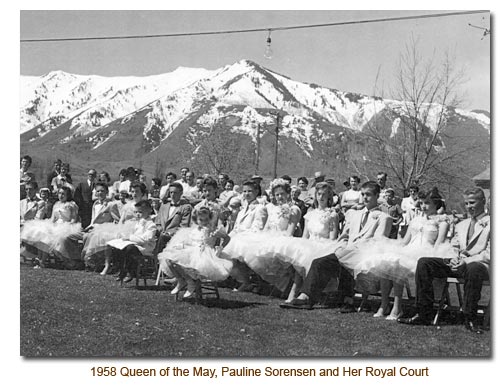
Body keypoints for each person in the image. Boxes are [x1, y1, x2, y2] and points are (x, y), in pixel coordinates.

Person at [340, 188, 451, 320]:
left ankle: (397, 307)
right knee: (386, 259)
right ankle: (384, 303)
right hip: (409, 249)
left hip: (426, 254)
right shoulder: (416, 220)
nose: (423, 206)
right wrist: (387, 243)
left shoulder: (442, 222)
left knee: (397, 262)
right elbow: (404, 241)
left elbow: (438, 244)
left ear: (436, 203)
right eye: (421, 203)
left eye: (427, 203)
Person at [280, 181, 392, 311]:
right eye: (363, 194)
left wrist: (354, 249)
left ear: (377, 195)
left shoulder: (384, 217)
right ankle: (306, 297)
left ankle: (347, 300)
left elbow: (378, 241)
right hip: (347, 251)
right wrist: (340, 246)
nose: (365, 198)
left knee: (347, 262)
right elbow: (344, 235)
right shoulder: (355, 214)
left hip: (365, 254)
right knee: (319, 262)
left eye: (368, 195)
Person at [398, 187, 490, 333]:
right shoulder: (462, 224)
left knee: (474, 268)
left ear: (483, 201)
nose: (469, 207)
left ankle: (469, 317)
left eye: (472, 203)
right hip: (458, 262)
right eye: (466, 204)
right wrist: (454, 259)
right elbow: (454, 245)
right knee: (424, 262)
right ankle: (424, 314)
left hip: (480, 266)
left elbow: (490, 253)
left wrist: (466, 261)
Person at [224, 178, 301, 294]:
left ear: (288, 194)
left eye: (282, 194)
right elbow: (266, 228)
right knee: (257, 251)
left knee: (268, 253)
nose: (279, 197)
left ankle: (284, 285)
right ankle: (260, 283)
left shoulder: (293, 209)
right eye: (277, 195)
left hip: (284, 239)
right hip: (269, 236)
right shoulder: (272, 208)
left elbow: (290, 232)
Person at [158, 206, 233, 298]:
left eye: (206, 220)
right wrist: (181, 246)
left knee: (186, 265)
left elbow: (227, 238)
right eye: (201, 220)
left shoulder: (212, 229)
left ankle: (190, 283)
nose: (203, 222)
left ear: (209, 219)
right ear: (197, 220)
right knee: (169, 259)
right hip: (191, 250)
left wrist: (220, 247)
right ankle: (182, 280)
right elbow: (190, 242)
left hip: (205, 253)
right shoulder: (194, 230)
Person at [81, 182, 147, 270]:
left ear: (142, 193)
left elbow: (146, 219)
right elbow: (122, 220)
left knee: (114, 238)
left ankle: (115, 265)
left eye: (137, 192)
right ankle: (104, 264)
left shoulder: (145, 206)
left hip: (137, 228)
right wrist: (119, 229)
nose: (134, 194)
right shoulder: (128, 205)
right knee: (101, 235)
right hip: (125, 227)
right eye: (133, 191)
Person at [59, 182, 121, 274]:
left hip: (101, 232)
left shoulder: (111, 205)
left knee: (88, 237)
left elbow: (117, 220)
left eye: (102, 191)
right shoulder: (95, 203)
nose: (100, 193)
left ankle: (88, 262)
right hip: (89, 229)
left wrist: (107, 229)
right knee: (66, 237)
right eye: (98, 191)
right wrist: (88, 228)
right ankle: (76, 260)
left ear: (107, 192)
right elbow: (93, 220)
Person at [21, 186, 81, 269]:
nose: (61, 195)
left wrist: (66, 225)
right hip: (55, 225)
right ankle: (40, 259)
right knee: (42, 233)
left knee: (49, 237)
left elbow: (74, 219)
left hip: (66, 225)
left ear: (68, 195)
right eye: (59, 193)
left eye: (63, 194)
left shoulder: (71, 204)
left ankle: (42, 261)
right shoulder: (56, 204)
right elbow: (53, 218)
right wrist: (49, 225)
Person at [109, 200, 157, 283]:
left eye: (140, 212)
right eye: (136, 212)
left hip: (145, 247)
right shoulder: (137, 222)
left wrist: (130, 238)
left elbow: (145, 240)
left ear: (149, 211)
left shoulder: (151, 225)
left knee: (129, 249)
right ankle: (121, 269)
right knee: (117, 247)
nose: (138, 214)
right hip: (135, 244)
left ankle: (130, 272)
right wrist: (124, 236)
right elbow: (132, 234)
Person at [155, 182, 192, 254]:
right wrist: (160, 229)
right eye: (171, 192)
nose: (172, 195)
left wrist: (169, 233)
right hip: (160, 234)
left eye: (175, 192)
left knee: (162, 239)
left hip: (174, 237)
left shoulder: (186, 207)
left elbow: (184, 226)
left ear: (181, 193)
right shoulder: (164, 205)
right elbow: (157, 221)